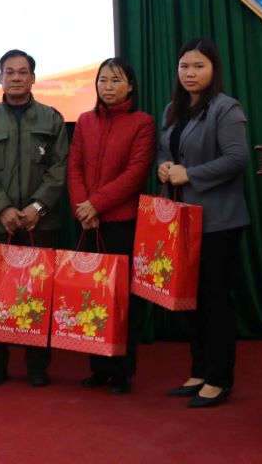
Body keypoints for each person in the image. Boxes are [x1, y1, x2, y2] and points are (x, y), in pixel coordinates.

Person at [157, 38, 250, 408]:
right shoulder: (173, 109)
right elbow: (166, 151)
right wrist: (162, 168)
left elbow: (237, 158)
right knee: (189, 301)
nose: (190, 73)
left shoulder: (226, 108)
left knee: (215, 301)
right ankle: (198, 372)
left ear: (213, 70)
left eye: (198, 66)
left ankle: (219, 379)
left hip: (218, 222)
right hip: (180, 221)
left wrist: (189, 175)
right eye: (184, 67)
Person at [0, 49, 69, 387]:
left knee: (39, 292)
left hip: (41, 222)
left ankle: (37, 365)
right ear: (0, 78)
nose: (15, 78)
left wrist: (37, 208)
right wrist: (3, 209)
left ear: (32, 79)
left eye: (22, 72)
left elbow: (59, 168)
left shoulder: (52, 118)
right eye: (9, 72)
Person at [67, 57, 155, 394]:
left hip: (120, 221)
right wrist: (82, 208)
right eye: (103, 80)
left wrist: (96, 204)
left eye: (116, 80)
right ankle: (98, 367)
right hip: (87, 222)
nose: (108, 86)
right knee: (91, 295)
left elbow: (135, 174)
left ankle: (121, 371)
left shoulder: (142, 123)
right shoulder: (85, 121)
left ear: (130, 86)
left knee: (119, 298)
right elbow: (74, 166)